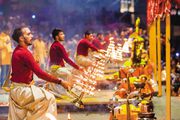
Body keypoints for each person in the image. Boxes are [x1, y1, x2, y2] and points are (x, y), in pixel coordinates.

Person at [8, 27, 71, 120]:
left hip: (18, 90)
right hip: (22, 91)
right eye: (28, 34)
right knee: (49, 98)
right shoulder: (24, 53)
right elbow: (40, 74)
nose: (32, 36)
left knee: (42, 98)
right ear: (21, 38)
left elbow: (23, 71)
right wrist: (60, 82)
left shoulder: (19, 50)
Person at [48, 29, 83, 95]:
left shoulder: (55, 45)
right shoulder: (58, 46)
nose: (64, 35)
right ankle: (68, 90)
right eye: (61, 34)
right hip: (56, 68)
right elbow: (67, 60)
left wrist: (66, 55)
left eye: (63, 34)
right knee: (69, 74)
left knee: (71, 72)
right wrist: (78, 67)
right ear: (57, 37)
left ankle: (67, 89)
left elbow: (58, 57)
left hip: (55, 67)